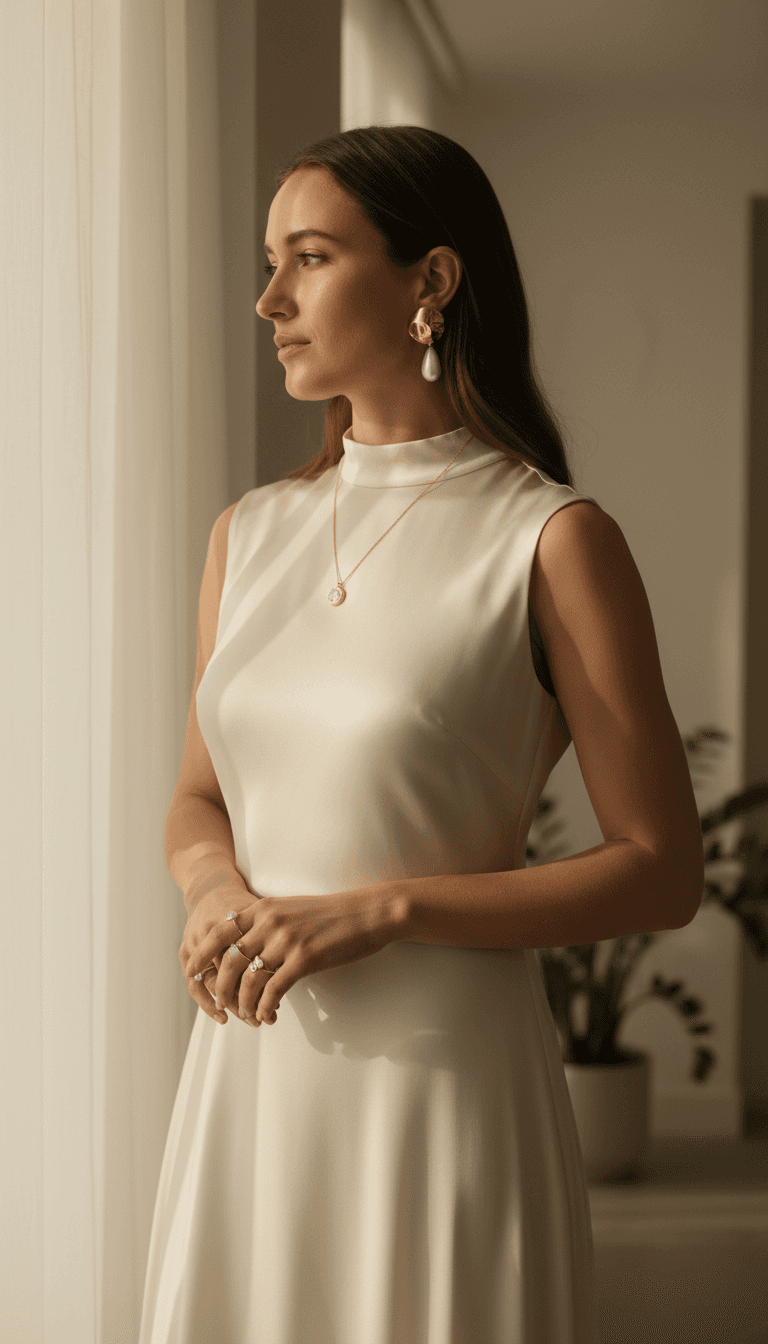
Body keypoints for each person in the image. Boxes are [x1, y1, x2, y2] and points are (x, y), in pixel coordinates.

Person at [139, 125, 704, 1344]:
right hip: (251, 1076)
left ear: (429, 284)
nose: (266, 298)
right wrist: (211, 891)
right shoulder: (249, 534)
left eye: (310, 257)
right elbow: (198, 797)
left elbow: (662, 871)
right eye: (269, 261)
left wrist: (380, 910)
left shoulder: (553, 539)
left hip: (444, 1085)